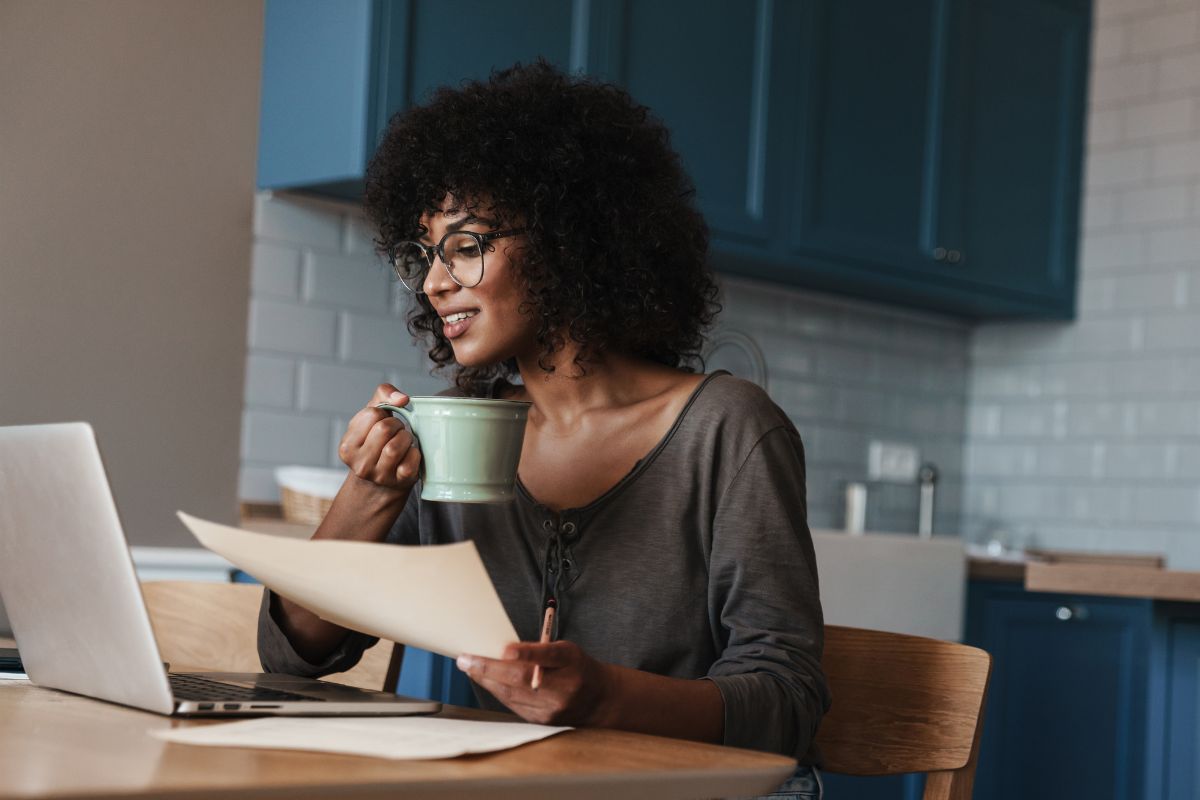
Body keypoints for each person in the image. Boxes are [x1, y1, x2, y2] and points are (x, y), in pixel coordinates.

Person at [258, 60, 830, 795]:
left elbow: (787, 702)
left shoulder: (728, 429)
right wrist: (368, 493)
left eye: (466, 246)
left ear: (568, 240)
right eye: (425, 254)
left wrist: (604, 698)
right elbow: (297, 653)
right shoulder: (453, 430)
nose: (433, 283)